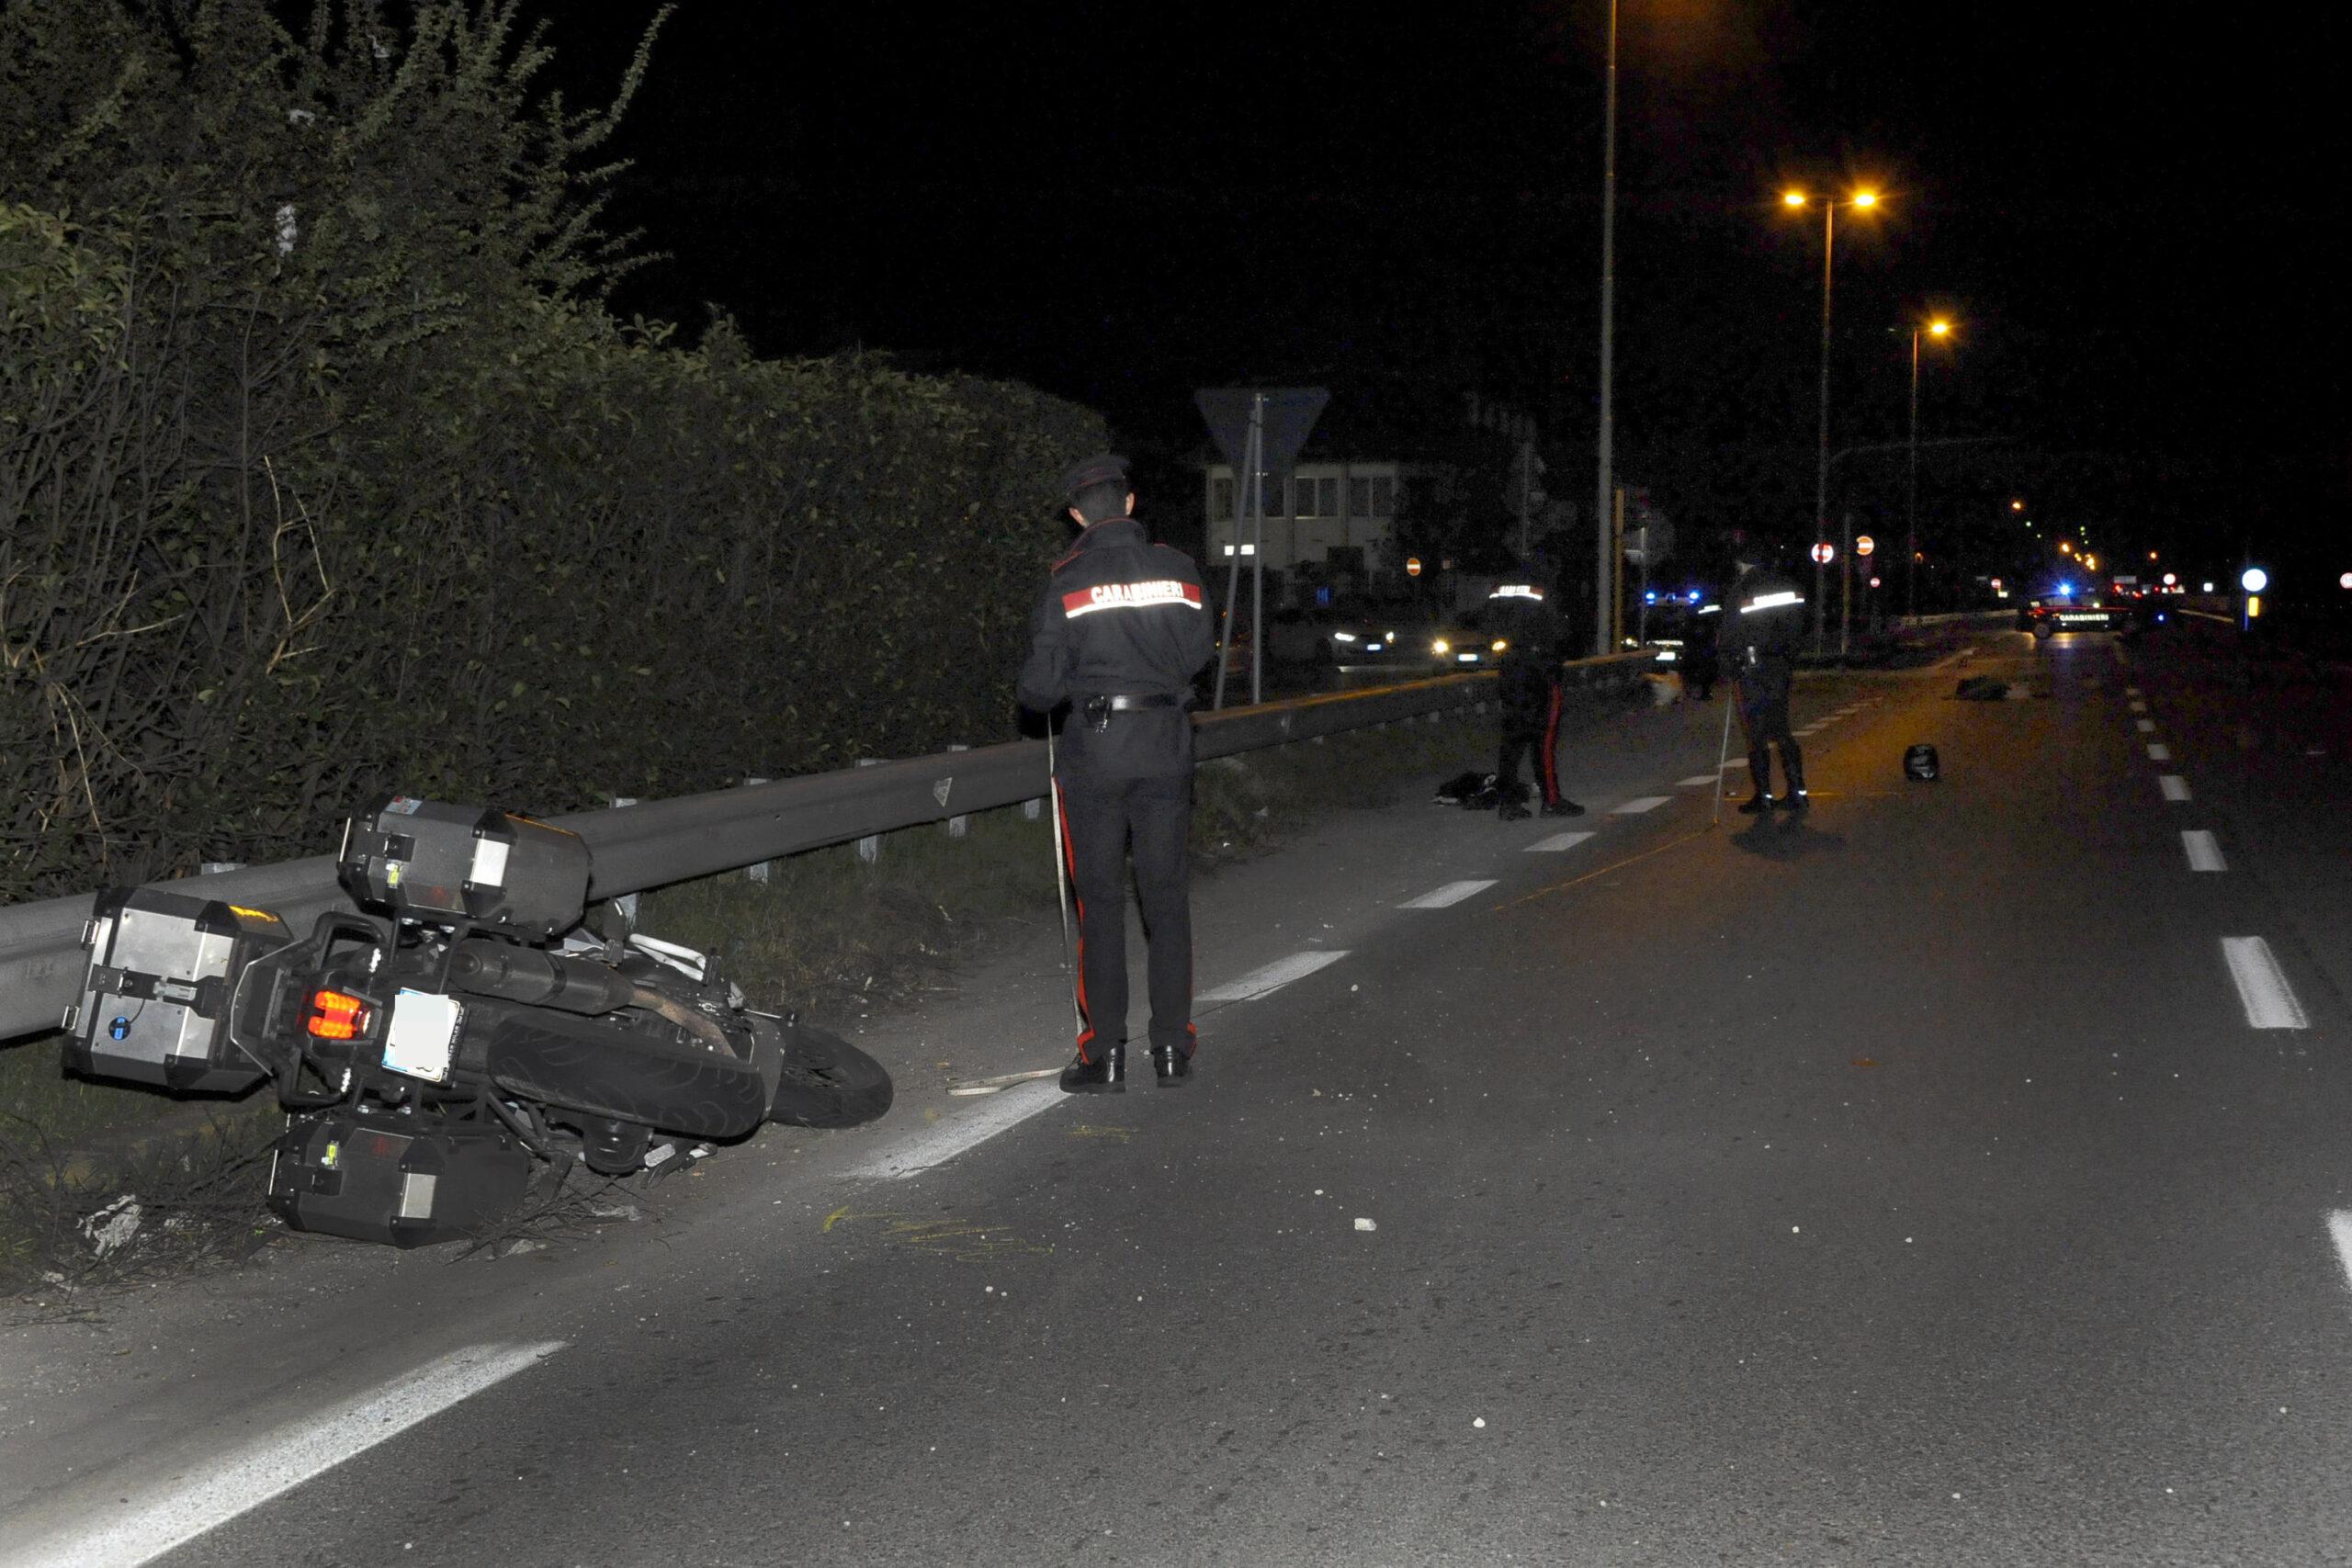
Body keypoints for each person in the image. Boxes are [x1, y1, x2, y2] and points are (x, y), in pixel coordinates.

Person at [1016, 455, 1216, 1092]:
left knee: (1100, 905)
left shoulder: (1068, 579)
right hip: (1165, 747)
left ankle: (1103, 1056)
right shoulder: (1179, 569)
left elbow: (1040, 690)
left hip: (1096, 757)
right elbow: (1196, 656)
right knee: (1166, 901)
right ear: (1129, 503)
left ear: (1077, 513)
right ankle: (1171, 1051)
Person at [1722, 546, 1809, 814]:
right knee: (1782, 730)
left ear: (1742, 564)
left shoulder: (1742, 588)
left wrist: (1729, 667)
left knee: (1756, 734)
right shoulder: (1788, 584)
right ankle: (1798, 792)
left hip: (1753, 670)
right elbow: (1800, 624)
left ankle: (1764, 795)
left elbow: (1731, 632)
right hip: (1780, 667)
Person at [1487, 583, 1584, 823]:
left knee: (1512, 741)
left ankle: (1508, 804)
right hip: (1539, 669)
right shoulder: (1545, 584)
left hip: (1510, 667)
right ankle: (1551, 801)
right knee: (1545, 738)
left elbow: (1485, 620)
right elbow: (1561, 631)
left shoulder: (1502, 585)